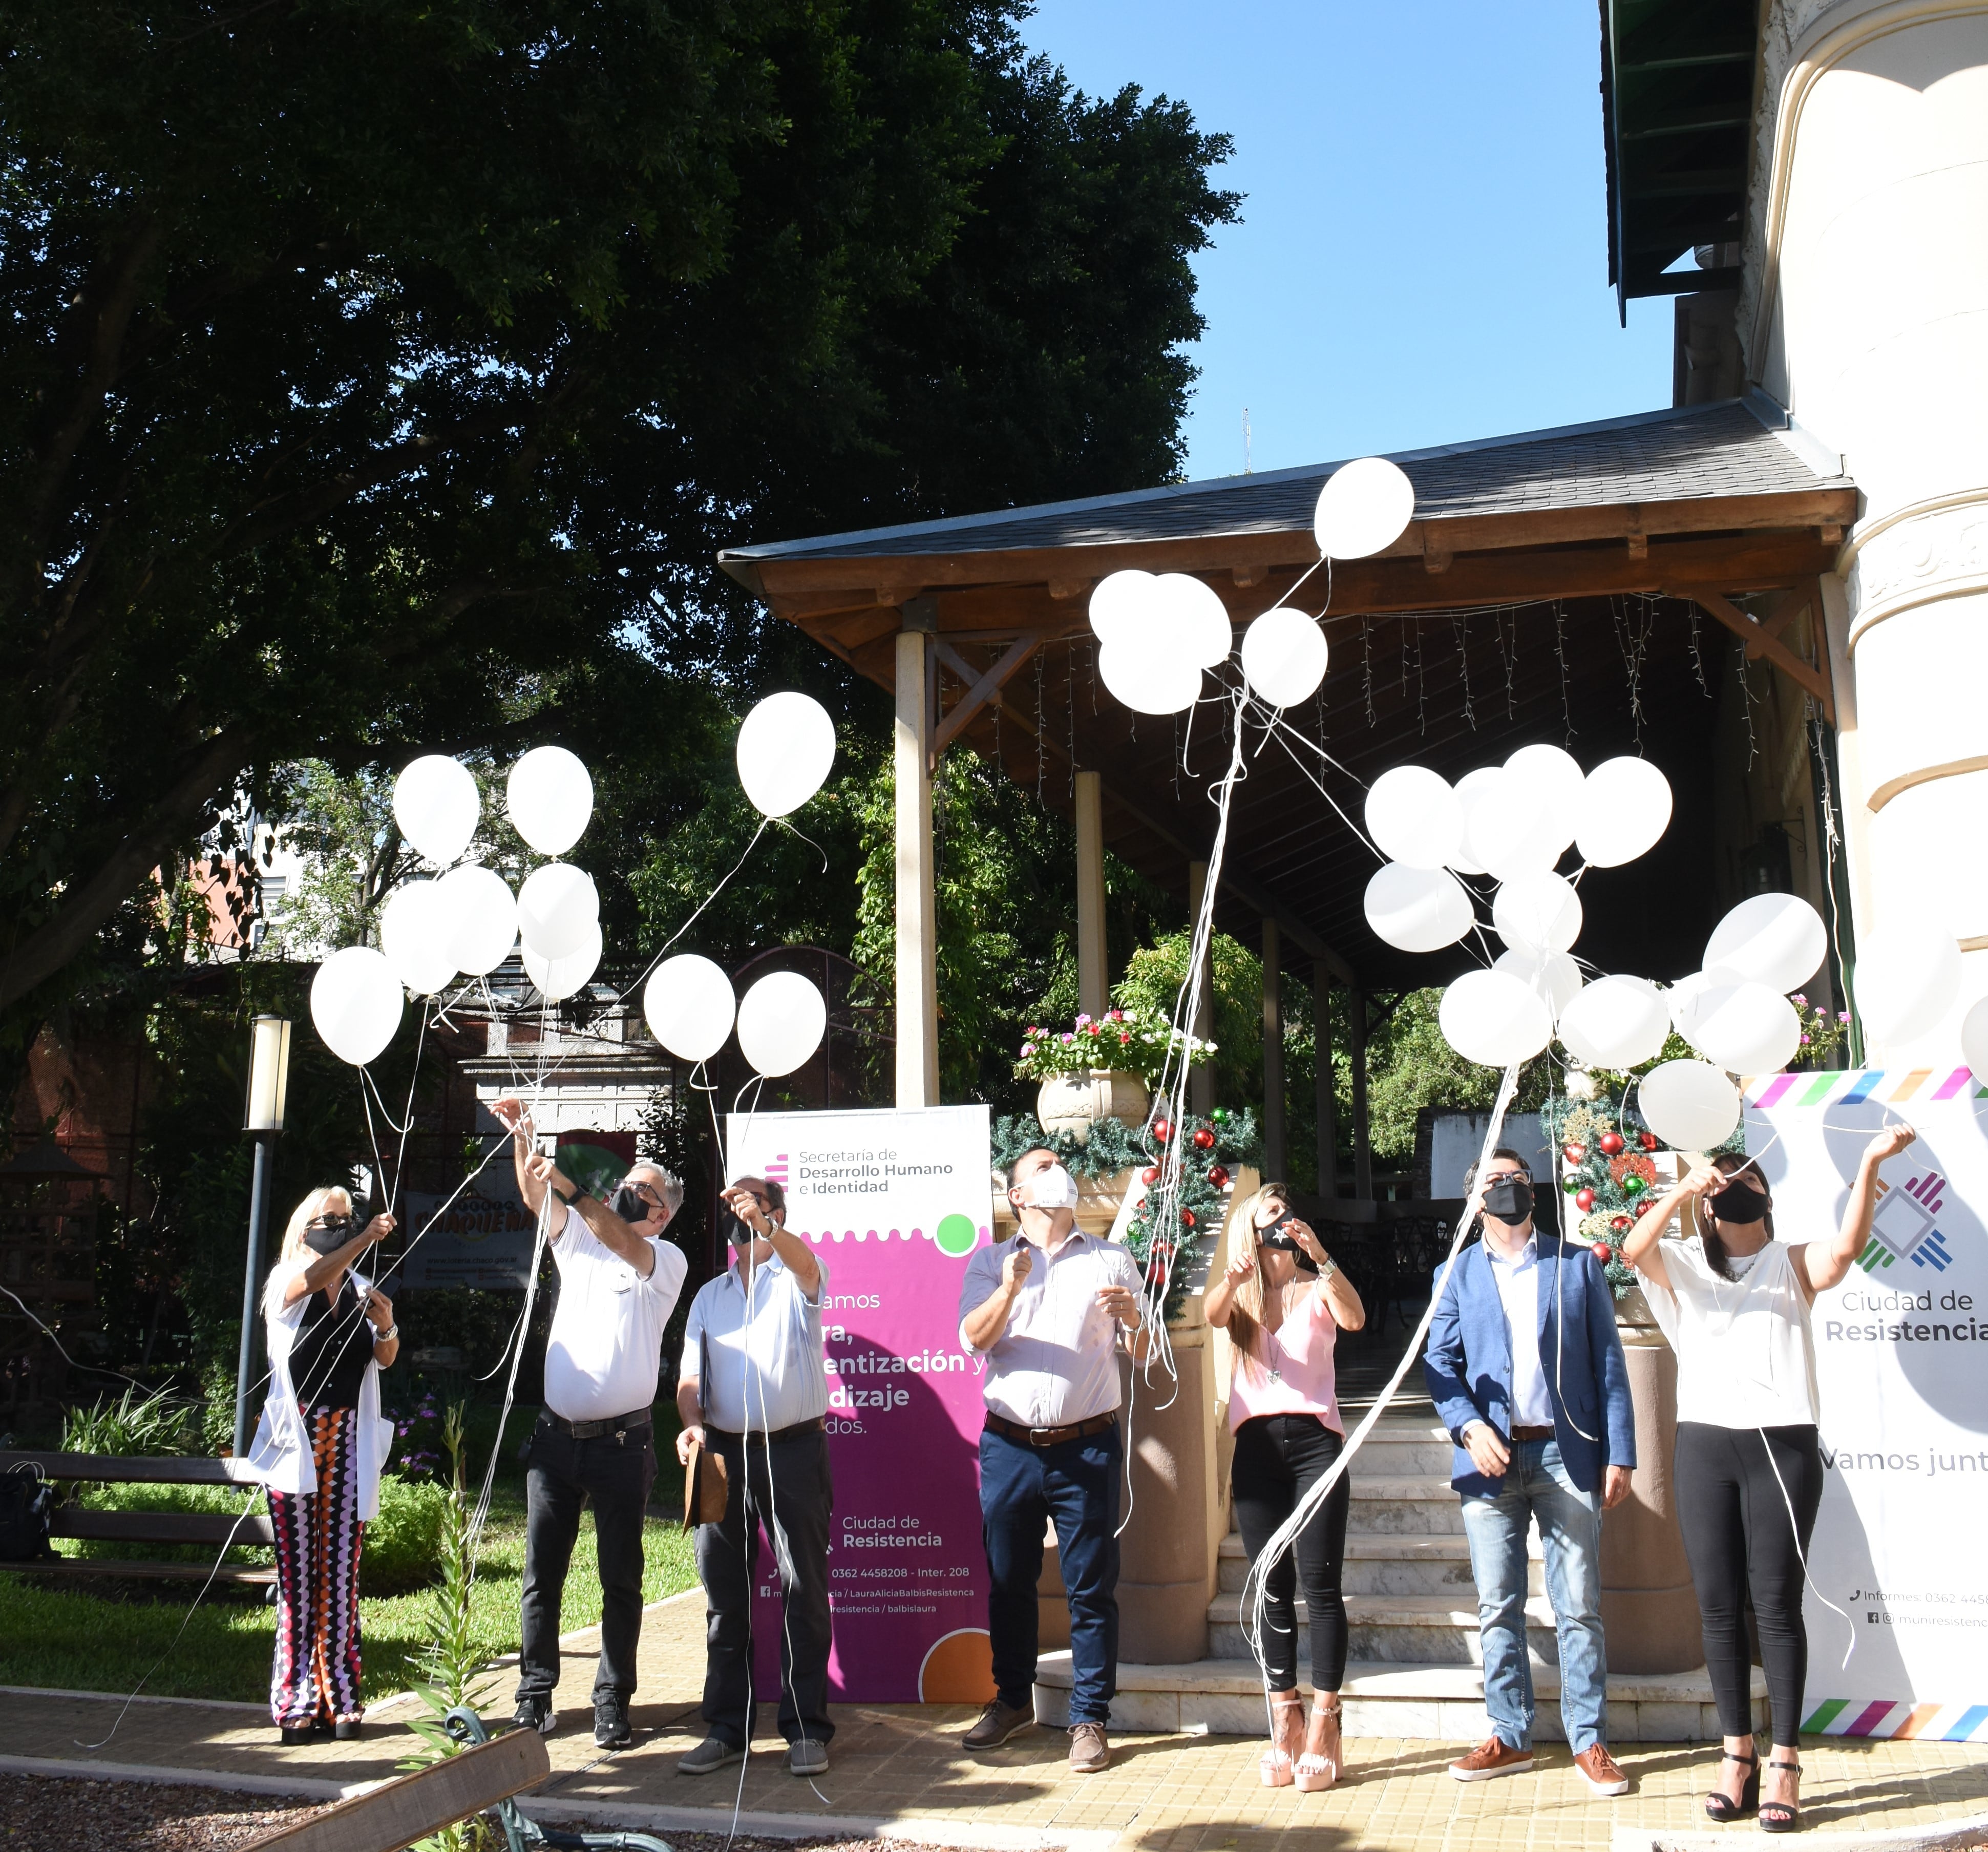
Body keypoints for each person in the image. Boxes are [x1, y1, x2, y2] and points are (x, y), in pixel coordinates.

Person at [1620, 1124, 1916, 1833]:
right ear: (1706, 1206)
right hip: (1703, 1446)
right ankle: (1735, 1755)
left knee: (1775, 1607)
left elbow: (1844, 1251)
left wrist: (1871, 1162)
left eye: (1746, 1180)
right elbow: (1633, 1250)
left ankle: (1784, 1760)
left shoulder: (1790, 1261)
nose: (1734, 1190)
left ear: (1766, 1196)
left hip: (1781, 1446)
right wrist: (1680, 1192)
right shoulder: (1685, 1263)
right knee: (1718, 1609)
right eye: (1722, 1185)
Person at [1423, 1147, 1636, 1795]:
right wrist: (1468, 1425)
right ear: (1474, 1201)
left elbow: (1608, 1362)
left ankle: (1590, 1740)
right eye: (1494, 1181)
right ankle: (1509, 1734)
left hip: (1565, 1456)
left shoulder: (1576, 1266)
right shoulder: (1454, 1274)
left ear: (1533, 1193)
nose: (1507, 1187)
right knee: (1498, 1605)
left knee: (1578, 1605)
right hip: (1490, 1460)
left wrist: (1619, 1450)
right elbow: (1438, 1363)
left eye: (1516, 1179)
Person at [492, 1097, 689, 1751]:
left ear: (660, 1211)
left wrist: (573, 1188)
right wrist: (525, 1138)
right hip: (555, 1440)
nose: (629, 1192)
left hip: (623, 1446)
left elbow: (617, 1235)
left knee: (621, 1578)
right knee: (541, 1573)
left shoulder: (664, 1258)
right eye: (627, 1184)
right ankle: (534, 1695)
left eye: (642, 1189)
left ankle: (612, 1701)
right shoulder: (577, 1235)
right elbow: (534, 1195)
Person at [955, 1145, 1153, 1775]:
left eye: (1057, 1163)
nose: (1055, 1169)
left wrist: (1135, 1321)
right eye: (1040, 1167)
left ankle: (1090, 1716)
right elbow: (972, 1339)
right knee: (1009, 1578)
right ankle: (1012, 1699)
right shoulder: (990, 1262)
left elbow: (1148, 1355)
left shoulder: (1110, 1258)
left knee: (1090, 1586)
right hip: (1010, 1446)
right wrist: (1012, 1288)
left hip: (1087, 1445)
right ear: (1018, 1196)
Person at [1204, 1182, 1366, 1792]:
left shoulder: (1316, 1285)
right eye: (1270, 1211)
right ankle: (1284, 1717)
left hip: (1316, 1446)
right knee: (1271, 1586)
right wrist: (1233, 1273)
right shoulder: (1242, 1299)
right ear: (1250, 1226)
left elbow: (1354, 1317)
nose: (1283, 1218)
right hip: (1256, 1452)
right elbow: (1214, 1316)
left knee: (1321, 1588)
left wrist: (1321, 1257)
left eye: (1286, 1209)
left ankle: (1326, 1722)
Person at [673, 1174, 835, 1779]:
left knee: (803, 1589)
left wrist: (769, 1228)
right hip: (723, 1456)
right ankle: (726, 1728)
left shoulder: (794, 1278)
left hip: (793, 1452)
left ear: (777, 1214)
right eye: (733, 1208)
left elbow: (807, 1264)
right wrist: (692, 1423)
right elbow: (690, 1381)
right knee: (724, 1595)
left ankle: (806, 1729)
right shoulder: (709, 1296)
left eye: (753, 1208)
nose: (738, 1217)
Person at [245, 1185, 399, 1744]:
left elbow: (383, 1357)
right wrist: (362, 1237)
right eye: (328, 1219)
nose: (338, 1225)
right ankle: (294, 1702)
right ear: (304, 1224)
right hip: (298, 1441)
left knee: (340, 1573)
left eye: (345, 1218)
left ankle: (340, 1698)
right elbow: (310, 1279)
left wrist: (386, 1325)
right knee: (298, 1577)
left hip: (347, 1436)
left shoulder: (358, 1288)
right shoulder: (286, 1279)